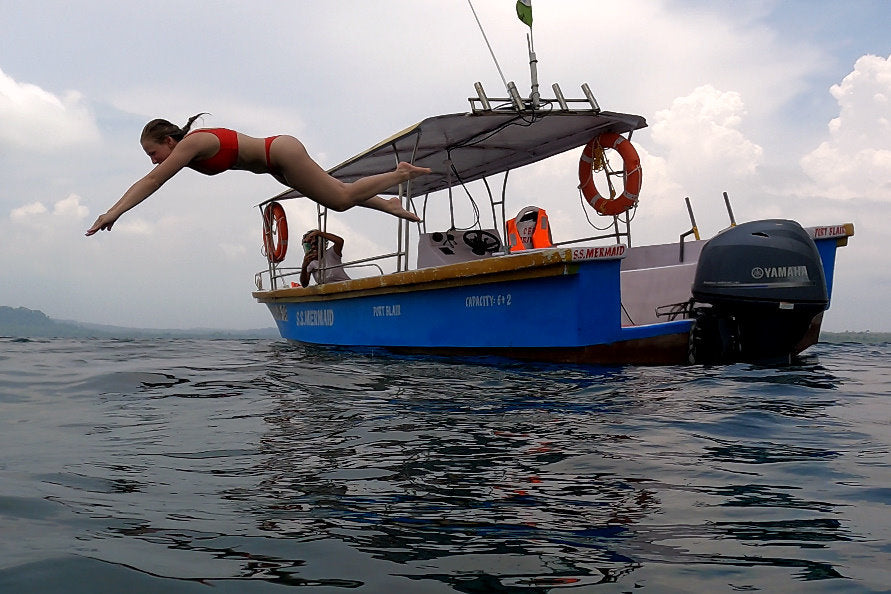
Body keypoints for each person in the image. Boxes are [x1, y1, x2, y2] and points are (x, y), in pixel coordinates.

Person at [85, 113, 430, 236]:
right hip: (274, 165)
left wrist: (112, 212)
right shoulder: (186, 151)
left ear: (168, 141)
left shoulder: (191, 144)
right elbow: (153, 176)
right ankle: (387, 204)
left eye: (153, 153)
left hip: (280, 153)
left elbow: (152, 182)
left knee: (339, 201)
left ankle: (398, 174)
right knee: (335, 190)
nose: (153, 162)